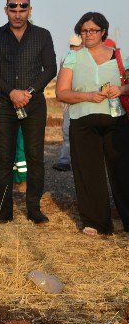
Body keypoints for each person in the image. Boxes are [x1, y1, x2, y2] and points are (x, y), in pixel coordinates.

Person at [0, 0, 57, 224]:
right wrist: (11, 93)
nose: (17, 14)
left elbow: (50, 68)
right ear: (6, 10)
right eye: (13, 9)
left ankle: (34, 209)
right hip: (5, 105)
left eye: (22, 9)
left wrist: (30, 92)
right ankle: (5, 212)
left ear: (29, 10)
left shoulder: (42, 35)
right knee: (4, 159)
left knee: (35, 157)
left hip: (34, 105)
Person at [55, 12, 129, 235]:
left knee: (123, 172)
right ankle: (96, 223)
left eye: (93, 30)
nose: (88, 34)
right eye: (84, 30)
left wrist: (121, 89)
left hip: (117, 121)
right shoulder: (72, 58)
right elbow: (62, 93)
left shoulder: (119, 57)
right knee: (89, 173)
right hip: (83, 122)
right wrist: (88, 96)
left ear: (103, 32)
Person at [52, 34, 83, 172]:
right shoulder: (72, 57)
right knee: (70, 130)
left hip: (75, 98)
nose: (74, 48)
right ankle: (67, 161)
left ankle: (67, 161)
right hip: (75, 98)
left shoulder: (68, 57)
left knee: (69, 131)